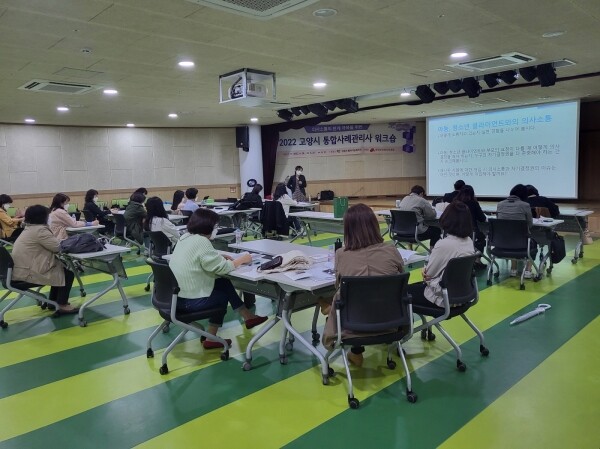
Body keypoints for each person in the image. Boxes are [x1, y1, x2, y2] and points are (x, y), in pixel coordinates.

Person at [168, 208, 268, 349]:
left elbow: (199, 257)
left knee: (222, 281)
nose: (216, 229)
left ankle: (247, 316)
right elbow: (223, 268)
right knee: (221, 296)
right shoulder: (202, 241)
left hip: (175, 298)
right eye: (215, 226)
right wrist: (242, 259)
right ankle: (212, 337)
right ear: (207, 227)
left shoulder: (185, 237)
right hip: (188, 302)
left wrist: (218, 257)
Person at [322, 204, 405, 367]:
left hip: (352, 325)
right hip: (391, 321)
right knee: (371, 296)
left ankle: (355, 351)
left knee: (350, 299)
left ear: (348, 230)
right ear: (374, 225)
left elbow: (338, 286)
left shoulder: (342, 255)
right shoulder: (391, 250)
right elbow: (400, 280)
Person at [406, 201, 476, 309]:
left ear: (446, 219)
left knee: (401, 292)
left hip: (443, 298)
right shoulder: (469, 242)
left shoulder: (444, 245)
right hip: (464, 296)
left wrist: (425, 271)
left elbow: (429, 275)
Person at [11, 205, 78, 314]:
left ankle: (53, 302)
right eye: (48, 215)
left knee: (59, 270)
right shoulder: (40, 230)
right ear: (42, 217)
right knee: (67, 274)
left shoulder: (29, 228)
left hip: (19, 271)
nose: (49, 217)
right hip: (27, 273)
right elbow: (57, 247)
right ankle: (62, 305)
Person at [497, 184, 535, 278]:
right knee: (533, 243)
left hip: (503, 242)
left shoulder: (500, 204)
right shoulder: (525, 205)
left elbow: (499, 222)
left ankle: (513, 269)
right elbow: (530, 225)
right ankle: (528, 271)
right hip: (521, 243)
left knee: (510, 236)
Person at [455, 185, 487, 268]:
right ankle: (477, 261)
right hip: (470, 232)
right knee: (481, 238)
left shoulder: (455, 203)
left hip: (455, 231)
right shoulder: (474, 203)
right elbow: (482, 219)